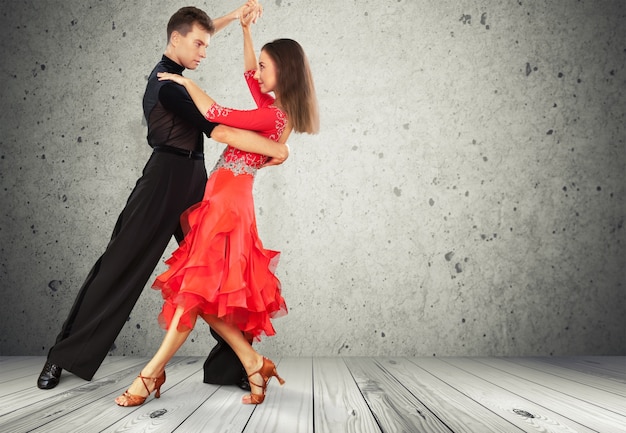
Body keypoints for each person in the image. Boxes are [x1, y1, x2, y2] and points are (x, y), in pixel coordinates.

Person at [37, 3, 288, 391]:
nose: (205, 52)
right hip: (163, 181)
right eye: (199, 46)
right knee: (120, 264)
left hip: (197, 182)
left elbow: (198, 30)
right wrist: (280, 149)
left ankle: (237, 365)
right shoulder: (167, 84)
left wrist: (233, 18)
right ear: (176, 40)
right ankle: (62, 356)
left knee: (216, 277)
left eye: (207, 45)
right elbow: (216, 127)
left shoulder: (178, 68)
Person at [114, 7, 319, 407]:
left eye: (264, 68)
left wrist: (181, 82)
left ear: (284, 73)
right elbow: (247, 75)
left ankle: (149, 375)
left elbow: (214, 115)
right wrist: (244, 31)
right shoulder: (277, 110)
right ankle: (253, 363)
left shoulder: (270, 114)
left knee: (192, 291)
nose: (256, 75)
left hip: (226, 205)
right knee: (201, 294)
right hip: (226, 199)